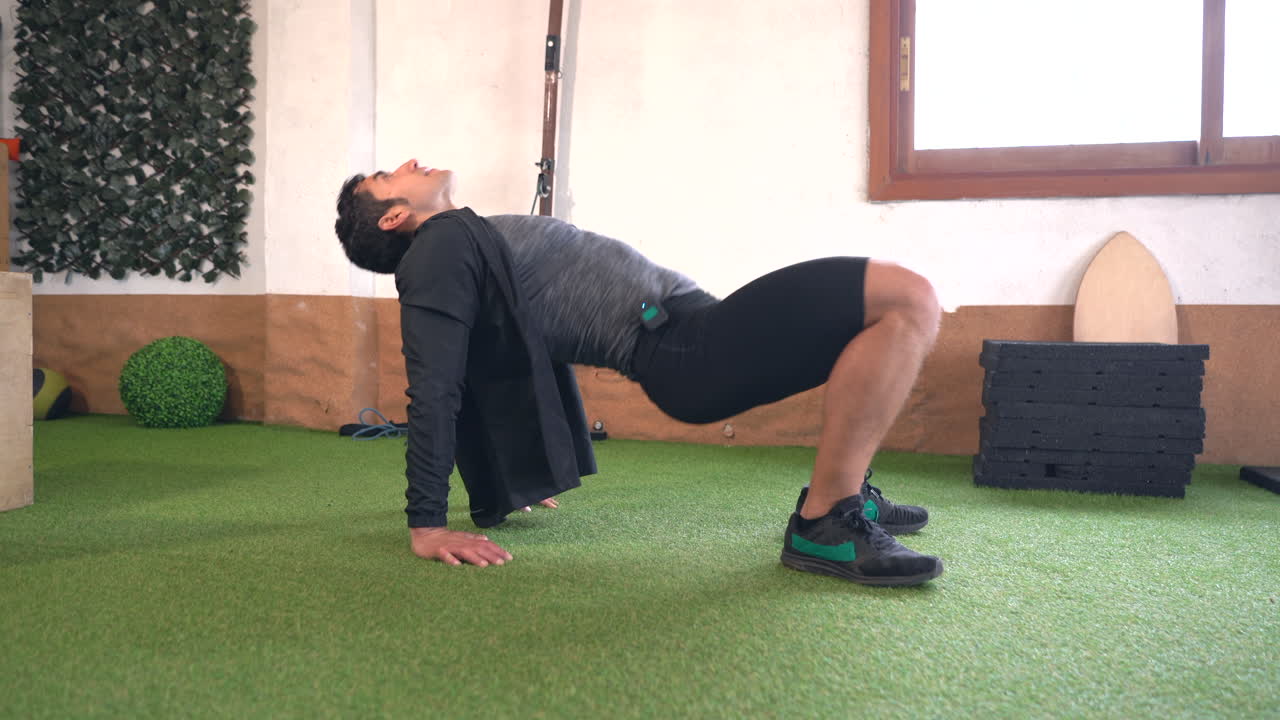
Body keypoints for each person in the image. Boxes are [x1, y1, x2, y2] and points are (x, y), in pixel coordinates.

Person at [334, 159, 944, 586]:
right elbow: (437, 383)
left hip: (698, 327)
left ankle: (845, 497)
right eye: (390, 175)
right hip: (684, 350)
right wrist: (428, 524)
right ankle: (823, 522)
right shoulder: (436, 251)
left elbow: (499, 353)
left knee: (886, 317)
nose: (410, 161)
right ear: (393, 218)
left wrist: (513, 466)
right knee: (905, 298)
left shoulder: (463, 240)